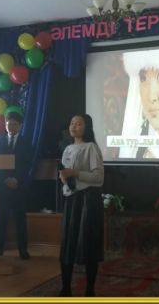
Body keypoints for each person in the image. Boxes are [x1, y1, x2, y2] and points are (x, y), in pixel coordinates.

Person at [58, 114, 104, 297]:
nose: (74, 126)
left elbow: (98, 178)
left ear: (87, 127)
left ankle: (89, 291)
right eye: (72, 123)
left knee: (89, 244)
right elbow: (65, 174)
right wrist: (64, 178)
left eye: (78, 124)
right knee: (67, 244)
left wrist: (75, 173)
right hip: (71, 200)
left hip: (88, 201)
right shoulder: (68, 148)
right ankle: (66, 289)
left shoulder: (91, 147)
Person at [0, 111, 33, 260]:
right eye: (9, 124)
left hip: (19, 187)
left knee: (20, 219)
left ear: (20, 126)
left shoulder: (26, 142)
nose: (11, 127)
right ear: (5, 125)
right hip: (2, 188)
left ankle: (23, 249)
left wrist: (16, 180)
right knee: (1, 219)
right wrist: (5, 179)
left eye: (15, 124)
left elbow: (27, 165)